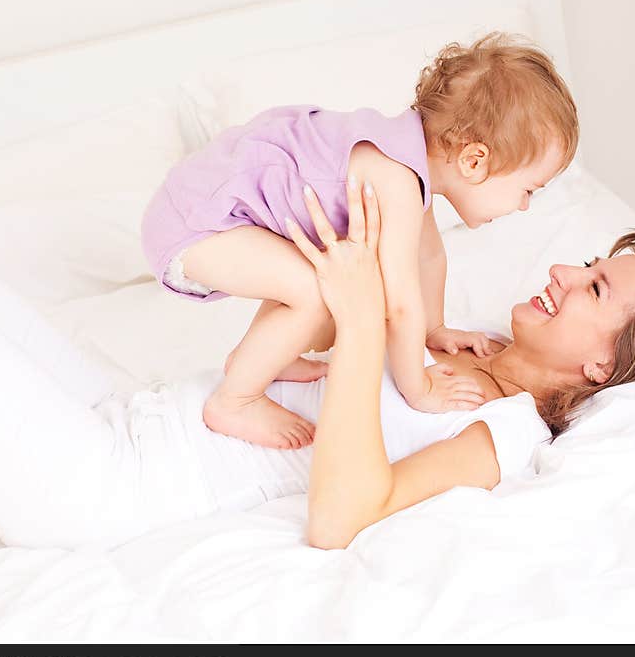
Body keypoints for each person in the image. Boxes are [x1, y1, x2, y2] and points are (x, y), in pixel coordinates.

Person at [0, 182, 635, 550]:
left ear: (602, 360)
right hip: (127, 414)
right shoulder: (464, 340)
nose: (560, 273)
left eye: (593, 286)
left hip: (106, 488)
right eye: (582, 263)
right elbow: (412, 240)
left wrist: (360, 327)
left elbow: (345, 517)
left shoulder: (500, 433)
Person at [140, 32, 579, 449]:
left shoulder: (406, 163)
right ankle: (234, 400)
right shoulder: (396, 181)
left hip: (202, 209)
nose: (523, 206)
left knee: (320, 272)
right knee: (314, 294)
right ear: (474, 159)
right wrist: (419, 387)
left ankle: (262, 356)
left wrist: (434, 330)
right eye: (528, 190)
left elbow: (429, 257)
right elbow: (399, 301)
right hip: (197, 225)